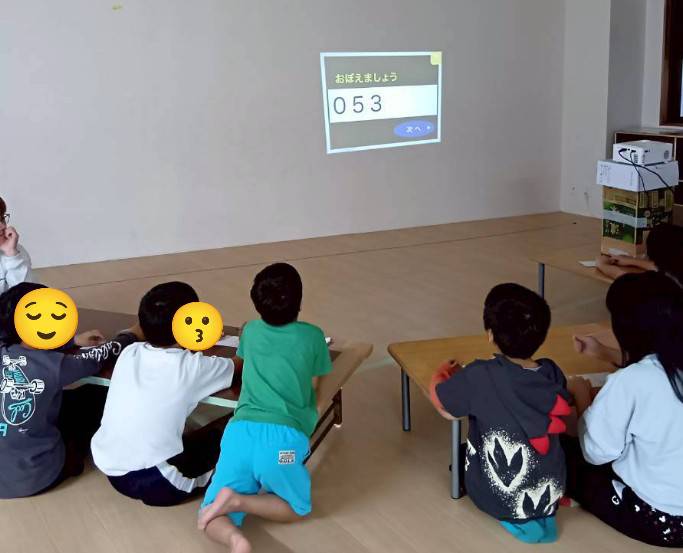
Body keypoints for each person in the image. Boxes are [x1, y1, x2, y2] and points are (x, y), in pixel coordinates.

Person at [198, 263, 332, 553]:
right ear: (299, 301)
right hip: (283, 443)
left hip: (238, 434)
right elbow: (314, 384)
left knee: (209, 514)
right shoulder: (313, 336)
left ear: (257, 304)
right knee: (297, 507)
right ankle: (241, 501)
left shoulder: (250, 331)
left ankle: (235, 539)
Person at [428, 283, 571, 544]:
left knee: (459, 456)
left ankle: (507, 511)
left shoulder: (480, 375)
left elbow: (444, 405)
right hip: (551, 491)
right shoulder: (552, 371)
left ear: (490, 335)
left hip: (501, 500)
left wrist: (440, 373)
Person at [91, 281, 241, 507]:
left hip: (113, 472)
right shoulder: (191, 367)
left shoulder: (130, 352)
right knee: (236, 430)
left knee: (196, 431)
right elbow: (238, 364)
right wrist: (247, 337)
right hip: (163, 483)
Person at [565, 272, 683, 547]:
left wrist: (581, 396)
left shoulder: (631, 381)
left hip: (662, 521)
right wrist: (605, 353)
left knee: (562, 453)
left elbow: (595, 452)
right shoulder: (662, 366)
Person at [0, 282, 141, 498]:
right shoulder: (54, 366)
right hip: (32, 477)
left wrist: (71, 341)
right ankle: (71, 461)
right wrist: (131, 335)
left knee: (59, 400)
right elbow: (100, 356)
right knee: (97, 397)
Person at [595, 223, 683, 285]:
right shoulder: (677, 268)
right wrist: (632, 261)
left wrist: (602, 265)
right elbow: (663, 269)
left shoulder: (672, 284)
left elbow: (628, 280)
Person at [0, 196, 32, 294]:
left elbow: (26, 296)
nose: (3, 226)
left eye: (2, 218)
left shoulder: (15, 250)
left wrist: (12, 256)